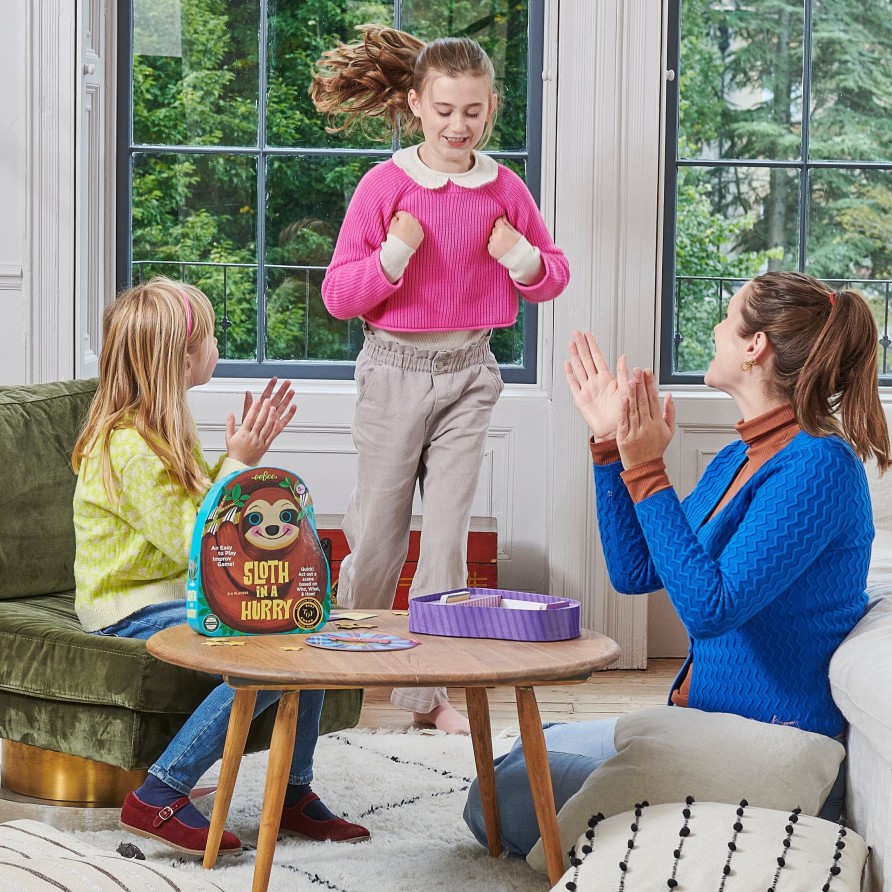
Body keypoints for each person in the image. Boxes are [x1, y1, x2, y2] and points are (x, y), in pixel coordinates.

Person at [464, 271, 891, 856]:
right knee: (529, 749)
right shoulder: (741, 454)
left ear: (754, 346)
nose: (715, 328)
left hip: (768, 746)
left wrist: (648, 472)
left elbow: (711, 608)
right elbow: (636, 570)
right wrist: (612, 450)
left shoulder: (818, 466)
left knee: (498, 794)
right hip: (704, 725)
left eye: (727, 317)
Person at [310, 26, 570, 734]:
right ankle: (348, 670)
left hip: (469, 371)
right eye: (445, 110)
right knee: (381, 533)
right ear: (417, 104)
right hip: (394, 368)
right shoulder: (385, 186)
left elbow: (552, 277)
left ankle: (430, 694)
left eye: (474, 112)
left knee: (449, 534)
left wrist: (519, 257)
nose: (459, 126)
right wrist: (394, 254)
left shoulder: (504, 187)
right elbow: (339, 296)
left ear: (491, 110)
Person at [72, 277, 369, 855]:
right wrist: (236, 463)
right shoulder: (127, 446)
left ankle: (292, 792)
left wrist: (236, 464)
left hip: (176, 597)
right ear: (182, 357)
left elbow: (196, 514)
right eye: (209, 337)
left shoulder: (158, 430)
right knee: (266, 653)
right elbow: (199, 541)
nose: (216, 346)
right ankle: (159, 794)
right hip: (129, 608)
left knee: (296, 631)